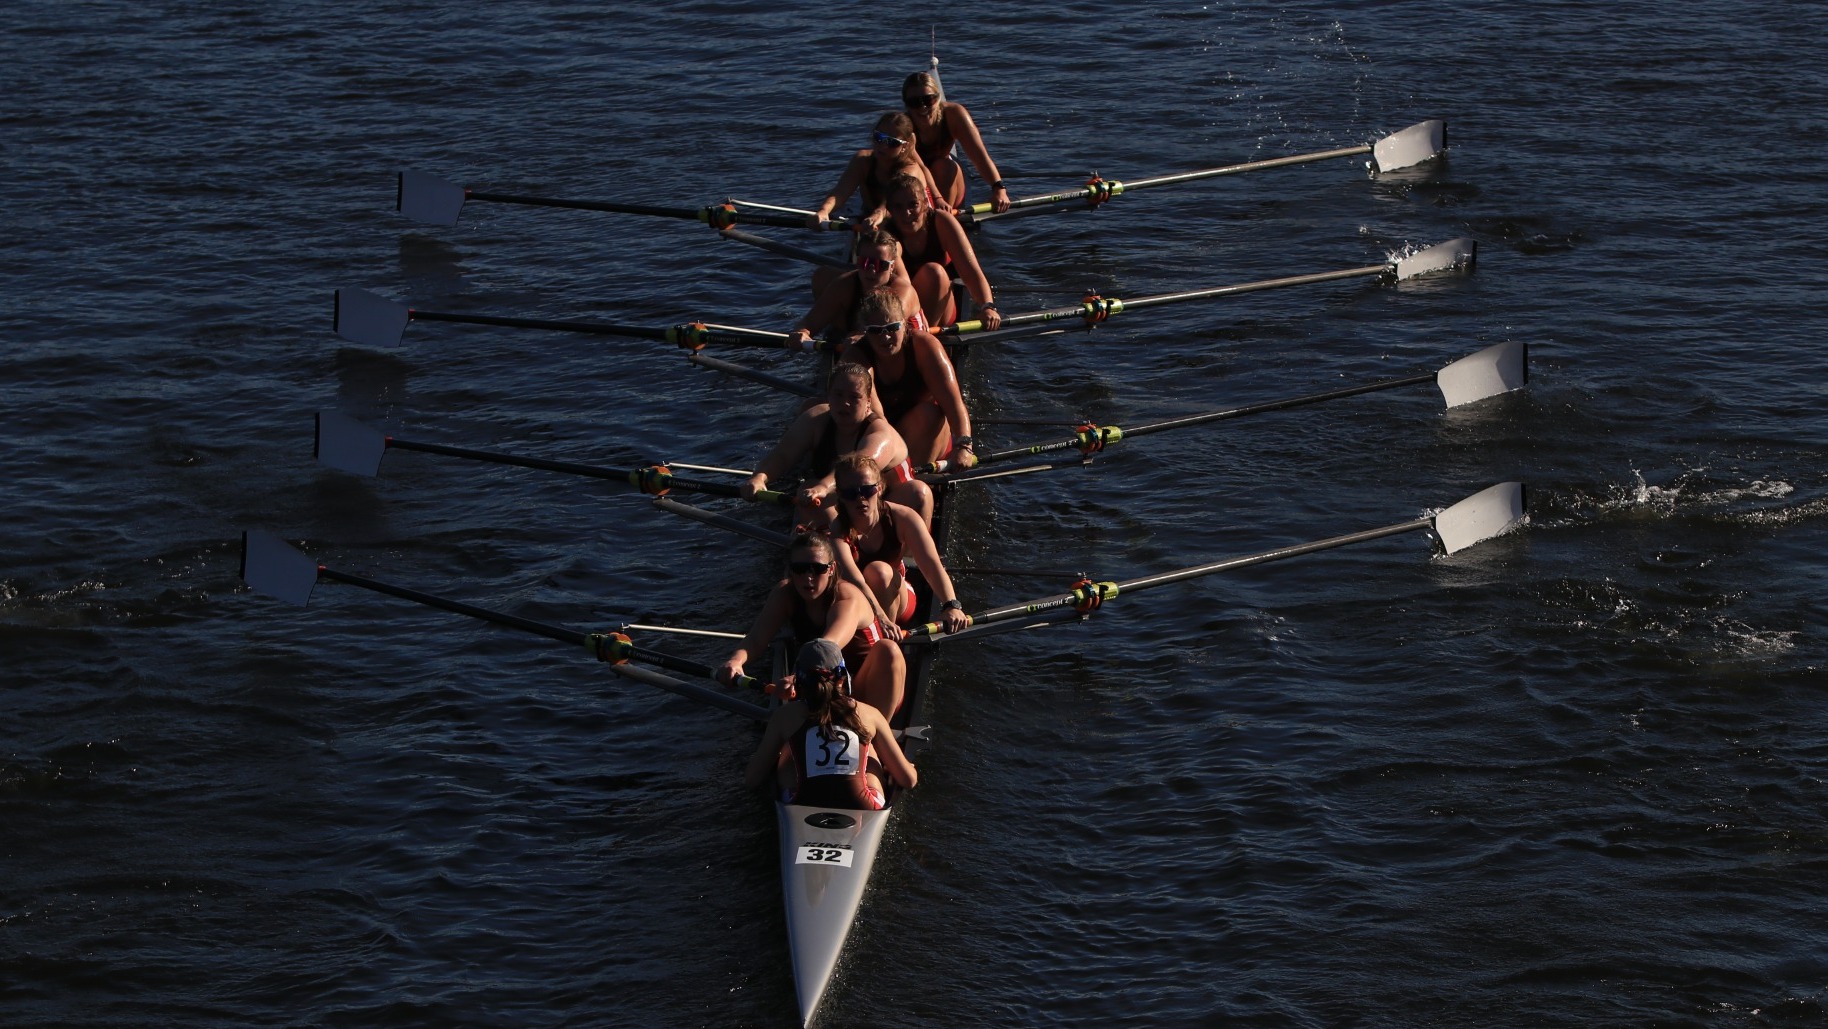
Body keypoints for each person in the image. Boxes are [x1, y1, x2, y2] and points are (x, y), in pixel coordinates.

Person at [718, 532, 907, 718]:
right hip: (828, 685)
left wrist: (795, 678)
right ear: (791, 570)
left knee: (888, 649)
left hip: (870, 687)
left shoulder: (846, 598)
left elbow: (826, 648)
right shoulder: (785, 593)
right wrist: (736, 661)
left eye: (817, 569)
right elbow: (757, 638)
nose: (808, 577)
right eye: (800, 569)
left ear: (831, 569)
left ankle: (878, 734)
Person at [741, 362, 934, 525]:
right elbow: (783, 455)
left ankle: (904, 558)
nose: (845, 403)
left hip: (886, 508)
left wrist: (823, 487)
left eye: (854, 397)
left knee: (919, 492)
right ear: (829, 397)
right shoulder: (816, 419)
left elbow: (855, 469)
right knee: (810, 492)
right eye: (838, 395)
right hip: (848, 504)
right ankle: (841, 549)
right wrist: (760, 477)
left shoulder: (880, 433)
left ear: (868, 402)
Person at [744, 639, 917, 809]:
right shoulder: (870, 713)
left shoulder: (785, 715)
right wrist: (904, 768)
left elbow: (752, 780)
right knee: (869, 749)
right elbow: (909, 780)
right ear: (842, 678)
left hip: (802, 802)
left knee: (787, 754)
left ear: (799, 678)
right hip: (863, 804)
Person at [823, 452, 969, 638]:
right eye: (851, 493)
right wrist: (879, 617)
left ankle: (887, 642)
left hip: (898, 598)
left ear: (880, 488)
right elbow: (855, 579)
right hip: (859, 600)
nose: (861, 499)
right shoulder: (837, 530)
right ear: (840, 497)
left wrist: (951, 605)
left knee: (879, 571)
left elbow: (931, 564)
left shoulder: (904, 518)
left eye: (867, 490)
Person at [839, 287, 976, 470]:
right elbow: (877, 420)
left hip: (924, 432)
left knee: (931, 414)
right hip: (880, 439)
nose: (885, 337)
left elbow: (954, 403)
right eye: (875, 330)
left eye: (892, 327)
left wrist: (964, 445)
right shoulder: (856, 359)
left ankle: (914, 479)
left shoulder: (925, 346)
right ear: (865, 332)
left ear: (905, 324)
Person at [881, 172, 1001, 331]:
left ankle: (920, 339)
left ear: (925, 203)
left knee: (935, 273)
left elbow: (971, 271)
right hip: (904, 311)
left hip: (943, 310)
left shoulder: (942, 221)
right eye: (898, 207)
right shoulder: (886, 234)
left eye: (913, 204)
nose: (906, 213)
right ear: (889, 210)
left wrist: (988, 307)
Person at [808, 112, 947, 229]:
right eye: (878, 138)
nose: (883, 146)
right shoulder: (862, 161)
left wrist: (878, 214)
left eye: (891, 142)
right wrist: (824, 211)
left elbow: (889, 203)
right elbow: (840, 193)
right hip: (877, 221)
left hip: (914, 225)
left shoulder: (910, 170)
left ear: (904, 146)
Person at [793, 229, 929, 345]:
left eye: (880, 265)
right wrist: (802, 332)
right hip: (873, 349)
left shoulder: (903, 291)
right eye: (865, 263)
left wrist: (862, 336)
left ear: (892, 267)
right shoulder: (844, 285)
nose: (871, 271)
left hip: (907, 350)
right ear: (857, 262)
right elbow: (809, 321)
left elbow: (884, 326)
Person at [901, 71, 1011, 215]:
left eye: (928, 100)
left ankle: (944, 218)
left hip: (947, 182)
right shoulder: (902, 126)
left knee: (944, 166)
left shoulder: (954, 115)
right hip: (918, 185)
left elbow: (979, 156)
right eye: (914, 103)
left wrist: (999, 189)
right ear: (906, 105)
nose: (922, 108)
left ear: (938, 98)